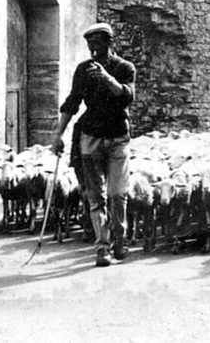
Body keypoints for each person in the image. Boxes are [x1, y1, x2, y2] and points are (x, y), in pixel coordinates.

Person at [51, 22, 136, 267]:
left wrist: (106, 78)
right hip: (90, 138)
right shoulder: (83, 70)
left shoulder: (124, 68)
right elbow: (72, 103)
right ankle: (102, 247)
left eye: (98, 44)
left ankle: (120, 239)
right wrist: (58, 135)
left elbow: (126, 96)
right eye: (90, 45)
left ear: (109, 43)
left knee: (117, 193)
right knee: (95, 196)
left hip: (118, 138)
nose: (93, 50)